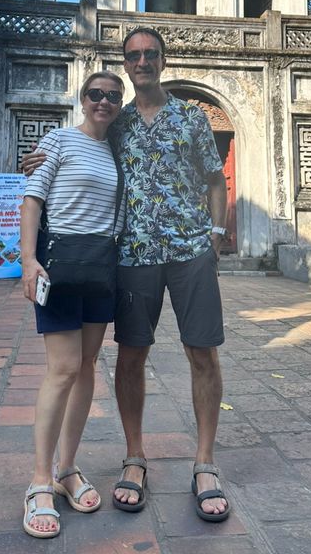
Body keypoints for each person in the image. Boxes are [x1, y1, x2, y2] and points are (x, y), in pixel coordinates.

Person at [23, 27, 230, 522]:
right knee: (132, 355)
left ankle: (205, 462)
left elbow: (215, 180)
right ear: (125, 62)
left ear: (163, 57)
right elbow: (71, 159)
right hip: (132, 255)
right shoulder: (117, 125)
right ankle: (135, 457)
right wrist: (36, 160)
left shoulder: (191, 117)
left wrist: (215, 235)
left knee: (202, 351)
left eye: (149, 54)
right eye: (132, 56)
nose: (141, 62)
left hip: (188, 250)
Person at [20, 70, 125, 539]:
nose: (103, 101)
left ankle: (66, 469)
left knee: (87, 368)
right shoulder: (58, 141)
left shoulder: (120, 150)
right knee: (62, 369)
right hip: (60, 261)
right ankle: (39, 480)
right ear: (82, 100)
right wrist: (26, 260)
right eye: (96, 94)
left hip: (102, 265)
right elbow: (32, 198)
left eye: (112, 96)